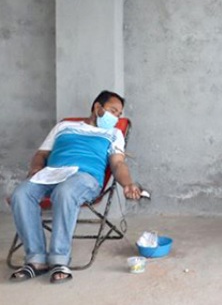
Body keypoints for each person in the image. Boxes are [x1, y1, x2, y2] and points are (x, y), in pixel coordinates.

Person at [9, 90, 143, 284]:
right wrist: (36, 169)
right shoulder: (64, 126)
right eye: (113, 111)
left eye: (119, 114)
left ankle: (59, 260)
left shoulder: (114, 134)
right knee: (20, 194)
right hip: (51, 173)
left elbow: (118, 164)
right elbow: (41, 154)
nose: (116, 117)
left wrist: (127, 183)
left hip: (85, 177)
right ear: (97, 107)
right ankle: (36, 260)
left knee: (65, 192)